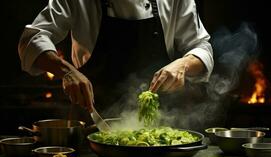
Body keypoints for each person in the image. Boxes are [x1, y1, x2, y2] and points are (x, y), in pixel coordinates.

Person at [18, 0, 214, 114]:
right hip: (93, 120)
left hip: (163, 123)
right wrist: (66, 71)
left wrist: (183, 64)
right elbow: (32, 39)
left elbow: (201, 47)